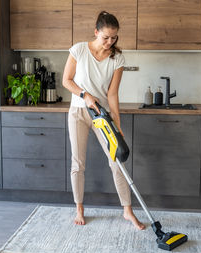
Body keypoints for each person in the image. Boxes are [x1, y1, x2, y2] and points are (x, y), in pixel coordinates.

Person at [62, 11, 145, 230]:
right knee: (78, 163)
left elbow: (112, 95)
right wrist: (85, 95)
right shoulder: (79, 49)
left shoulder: (117, 58)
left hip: (102, 116)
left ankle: (127, 210)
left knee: (116, 161)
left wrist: (117, 124)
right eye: (106, 37)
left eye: (114, 38)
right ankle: (79, 207)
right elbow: (66, 81)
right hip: (79, 112)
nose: (110, 42)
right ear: (96, 32)